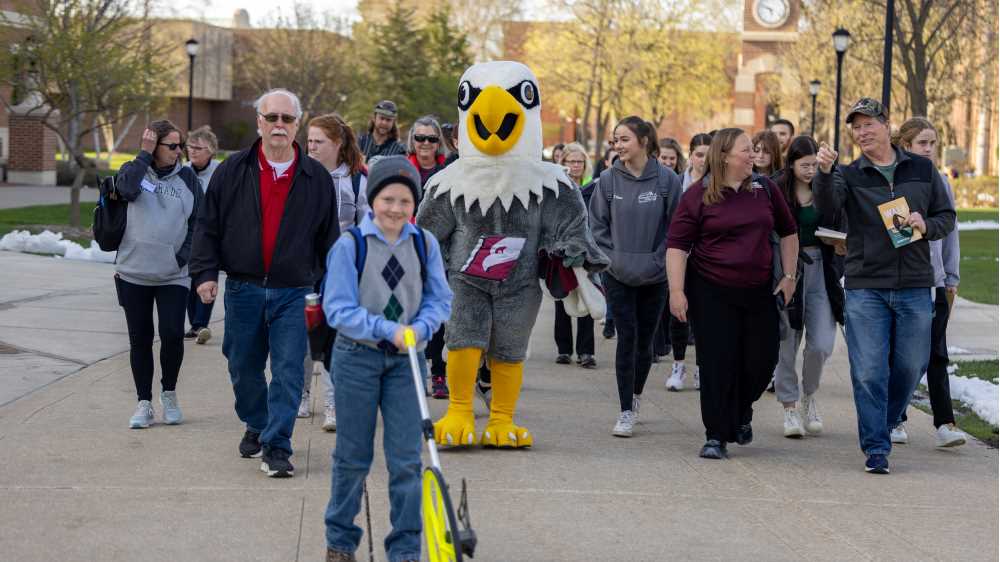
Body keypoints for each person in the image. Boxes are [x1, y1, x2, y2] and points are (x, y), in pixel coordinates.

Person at [189, 88, 340, 478]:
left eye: (286, 119)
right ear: (259, 121)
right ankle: (257, 422)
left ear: (296, 125)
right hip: (244, 288)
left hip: (294, 291)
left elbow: (329, 240)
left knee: (289, 370)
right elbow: (207, 225)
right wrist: (205, 274)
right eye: (271, 117)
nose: (278, 125)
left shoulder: (316, 178)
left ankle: (277, 446)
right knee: (242, 366)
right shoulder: (233, 170)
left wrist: (332, 288)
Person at [813, 98, 956, 474]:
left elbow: (946, 217)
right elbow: (827, 208)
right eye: (856, 127)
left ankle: (888, 418)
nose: (862, 132)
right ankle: (876, 446)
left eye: (868, 125)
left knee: (911, 365)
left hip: (914, 283)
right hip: (865, 286)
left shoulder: (923, 169)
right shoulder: (849, 173)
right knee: (868, 370)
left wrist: (925, 225)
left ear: (886, 125)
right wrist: (825, 173)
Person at [323, 156, 452, 562]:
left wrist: (424, 327)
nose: (395, 209)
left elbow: (439, 299)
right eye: (387, 199)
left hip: (406, 365)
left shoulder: (423, 243)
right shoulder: (351, 246)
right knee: (352, 458)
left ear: (415, 204)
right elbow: (338, 309)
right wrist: (386, 329)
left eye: (404, 201)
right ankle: (340, 543)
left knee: (406, 462)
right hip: (357, 359)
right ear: (372, 199)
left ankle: (406, 549)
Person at [667, 128, 799, 459]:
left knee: (761, 360)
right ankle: (716, 435)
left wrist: (789, 276)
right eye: (746, 150)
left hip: (758, 291)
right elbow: (677, 246)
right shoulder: (698, 195)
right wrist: (676, 290)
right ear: (725, 156)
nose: (753, 155)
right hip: (711, 290)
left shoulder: (765, 190)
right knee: (716, 363)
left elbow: (789, 232)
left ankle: (741, 411)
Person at [590, 116, 681, 438]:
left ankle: (637, 395)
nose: (618, 145)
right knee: (626, 339)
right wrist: (611, 258)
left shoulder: (667, 180)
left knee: (645, 343)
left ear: (644, 141)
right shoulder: (607, 180)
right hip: (617, 274)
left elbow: (676, 228)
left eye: (624, 139)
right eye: (616, 139)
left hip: (655, 275)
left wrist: (660, 260)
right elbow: (597, 226)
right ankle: (625, 409)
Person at [115, 120, 202, 428]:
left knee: (171, 335)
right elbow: (125, 190)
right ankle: (143, 403)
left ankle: (169, 393)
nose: (179, 152)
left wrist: (183, 257)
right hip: (133, 271)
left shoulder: (188, 178)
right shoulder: (133, 170)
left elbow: (198, 223)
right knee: (140, 339)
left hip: (173, 275)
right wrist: (143, 155)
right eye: (173, 146)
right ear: (154, 146)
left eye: (182, 146)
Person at [890, 116, 966, 448]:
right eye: (923, 143)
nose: (930, 149)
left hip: (934, 282)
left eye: (933, 143)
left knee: (936, 353)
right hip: (898, 283)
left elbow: (951, 233)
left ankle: (945, 422)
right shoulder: (892, 179)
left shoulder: (941, 182)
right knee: (901, 354)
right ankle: (895, 418)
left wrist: (951, 276)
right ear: (905, 146)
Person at [302, 113, 371, 431]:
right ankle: (300, 395)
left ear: (337, 144)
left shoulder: (357, 179)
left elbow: (366, 227)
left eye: (318, 142)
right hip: (302, 266)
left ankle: (333, 401)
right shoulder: (300, 174)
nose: (311, 147)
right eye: (309, 141)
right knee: (299, 332)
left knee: (334, 334)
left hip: (341, 268)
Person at [772, 136, 845, 438]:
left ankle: (809, 395)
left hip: (822, 270)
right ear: (791, 164)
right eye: (804, 165)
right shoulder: (777, 188)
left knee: (821, 344)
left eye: (815, 164)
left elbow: (843, 221)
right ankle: (789, 406)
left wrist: (841, 244)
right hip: (787, 268)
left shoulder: (829, 185)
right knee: (786, 342)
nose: (811, 170)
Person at [404, 115, 450, 398]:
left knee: (438, 315)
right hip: (407, 250)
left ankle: (439, 374)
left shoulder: (449, 171)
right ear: (413, 140)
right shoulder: (401, 168)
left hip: (441, 252)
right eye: (420, 138)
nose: (425, 144)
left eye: (431, 139)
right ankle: (410, 373)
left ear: (438, 143)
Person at [554, 142, 597, 368]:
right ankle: (563, 349)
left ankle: (586, 351)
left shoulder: (594, 188)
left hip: (587, 251)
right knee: (562, 299)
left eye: (580, 161)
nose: (576, 166)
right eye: (572, 161)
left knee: (587, 300)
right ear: (564, 163)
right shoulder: (557, 188)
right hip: (562, 251)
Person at [183, 125, 220, 345]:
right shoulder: (184, 171)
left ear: (211, 151)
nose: (193, 151)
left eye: (199, 148)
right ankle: (195, 324)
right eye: (190, 147)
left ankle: (201, 323)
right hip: (188, 234)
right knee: (189, 280)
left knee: (205, 277)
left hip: (211, 234)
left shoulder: (220, 171)